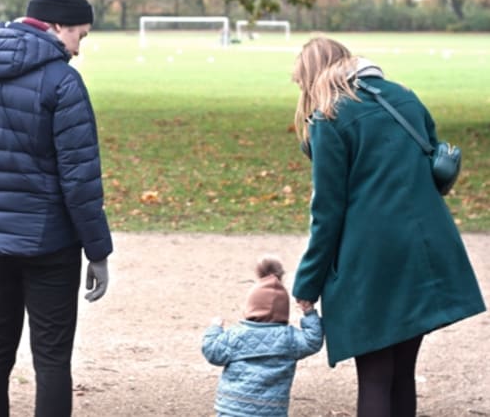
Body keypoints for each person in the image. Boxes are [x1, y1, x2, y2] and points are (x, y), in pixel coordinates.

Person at [0, 0, 113, 415]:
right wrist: (97, 251)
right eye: (80, 35)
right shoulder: (63, 83)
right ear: (57, 27)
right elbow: (80, 179)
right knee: (52, 358)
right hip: (49, 243)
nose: (79, 48)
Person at [290, 36, 486, 417]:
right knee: (402, 374)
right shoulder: (405, 97)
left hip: (373, 259)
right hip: (424, 249)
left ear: (313, 76)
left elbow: (328, 213)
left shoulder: (329, 116)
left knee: (376, 378)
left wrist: (307, 285)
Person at [201, 255, 323, 416]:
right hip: (271, 410)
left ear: (250, 307)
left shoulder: (236, 334)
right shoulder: (289, 338)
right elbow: (313, 340)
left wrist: (214, 329)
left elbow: (212, 352)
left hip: (232, 408)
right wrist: (309, 313)